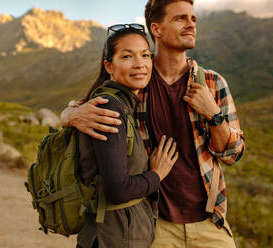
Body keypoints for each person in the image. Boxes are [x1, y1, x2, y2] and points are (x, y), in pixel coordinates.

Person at [62, 0, 246, 247]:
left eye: (193, 19)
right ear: (156, 29)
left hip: (209, 224)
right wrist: (69, 115)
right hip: (154, 224)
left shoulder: (213, 83)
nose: (191, 24)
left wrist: (213, 114)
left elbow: (233, 154)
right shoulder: (136, 80)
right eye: (180, 18)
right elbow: (83, 107)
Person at [76, 24, 179, 248]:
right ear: (109, 66)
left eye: (145, 55)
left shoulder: (121, 103)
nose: (139, 64)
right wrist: (157, 175)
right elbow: (118, 190)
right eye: (127, 56)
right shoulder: (110, 108)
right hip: (114, 238)